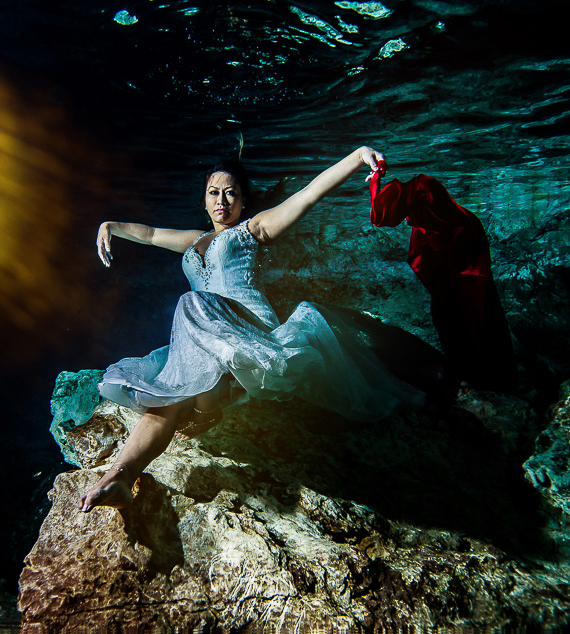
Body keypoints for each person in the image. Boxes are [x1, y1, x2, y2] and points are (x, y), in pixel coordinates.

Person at [78, 146, 424, 513]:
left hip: (251, 334)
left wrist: (356, 159)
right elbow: (148, 235)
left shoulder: (252, 229)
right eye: (214, 192)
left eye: (231, 193)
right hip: (205, 342)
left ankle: (213, 400)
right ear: (204, 201)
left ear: (244, 202)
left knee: (189, 303)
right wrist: (110, 225)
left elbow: (307, 195)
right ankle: (118, 476)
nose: (222, 200)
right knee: (167, 399)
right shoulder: (193, 241)